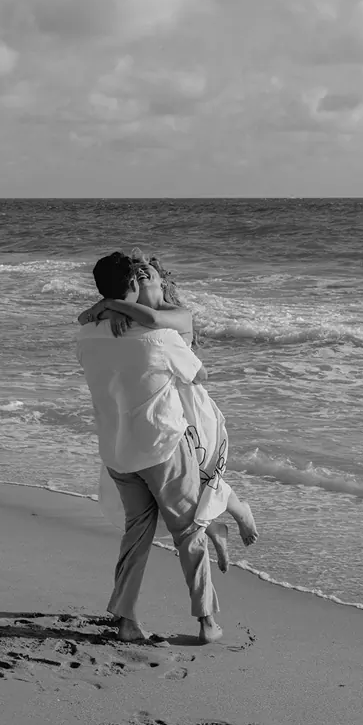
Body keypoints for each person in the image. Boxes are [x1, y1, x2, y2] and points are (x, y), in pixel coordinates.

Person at [76, 251, 222, 645]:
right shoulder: (161, 336)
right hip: (162, 447)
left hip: (117, 451)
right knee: (189, 531)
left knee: (136, 533)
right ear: (137, 285)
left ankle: (125, 619)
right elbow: (200, 373)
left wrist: (108, 310)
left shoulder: (87, 334)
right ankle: (207, 621)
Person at [80, 253, 258, 571]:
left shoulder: (178, 313)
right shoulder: (126, 316)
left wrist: (112, 306)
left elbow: (156, 323)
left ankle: (239, 509)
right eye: (138, 273)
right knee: (174, 491)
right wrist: (111, 307)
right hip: (155, 407)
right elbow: (84, 320)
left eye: (150, 271)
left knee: (201, 471)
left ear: (163, 281)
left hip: (189, 405)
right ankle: (214, 528)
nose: (144, 274)